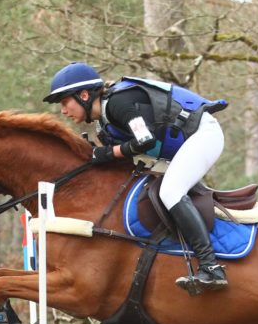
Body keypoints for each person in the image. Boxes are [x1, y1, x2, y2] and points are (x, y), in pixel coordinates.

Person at [44, 62, 229, 293]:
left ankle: (211, 266)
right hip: (185, 144)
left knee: (170, 192)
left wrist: (109, 153)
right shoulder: (105, 122)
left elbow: (146, 140)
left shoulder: (118, 104)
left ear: (83, 95)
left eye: (64, 102)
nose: (63, 110)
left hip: (204, 135)